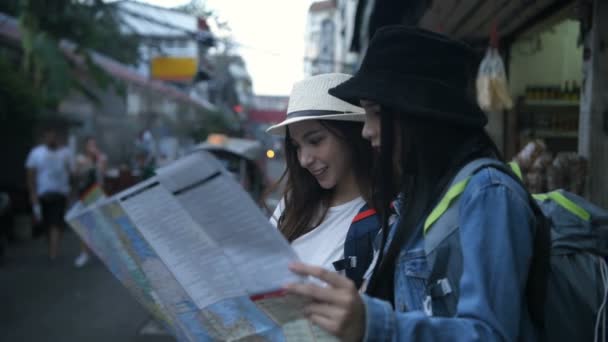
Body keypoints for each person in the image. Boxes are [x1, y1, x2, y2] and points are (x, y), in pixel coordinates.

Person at [285, 26, 539, 341]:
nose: (367, 131)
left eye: (376, 114)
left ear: (417, 114)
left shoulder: (488, 193)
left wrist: (373, 324)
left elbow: (490, 334)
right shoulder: (414, 200)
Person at [266, 73, 380, 287]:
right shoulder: (292, 205)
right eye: (297, 146)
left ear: (352, 134)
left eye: (315, 141)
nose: (304, 160)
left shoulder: (385, 219)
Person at [26, 126, 72, 261]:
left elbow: (71, 173)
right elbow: (30, 175)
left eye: (54, 136)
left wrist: (71, 192)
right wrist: (33, 194)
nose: (52, 139)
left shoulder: (65, 153)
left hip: (60, 193)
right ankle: (51, 246)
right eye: (49, 136)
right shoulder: (36, 153)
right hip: (43, 193)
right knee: (47, 223)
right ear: (44, 138)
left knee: (56, 223)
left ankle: (54, 253)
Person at [72, 136, 107, 267]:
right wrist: (85, 164)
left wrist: (96, 158)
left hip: (97, 194)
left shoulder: (101, 158)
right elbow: (75, 174)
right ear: (85, 147)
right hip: (84, 194)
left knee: (99, 224)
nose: (92, 147)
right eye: (90, 145)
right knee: (85, 225)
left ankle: (102, 252)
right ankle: (85, 253)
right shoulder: (80, 159)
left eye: (94, 145)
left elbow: (102, 172)